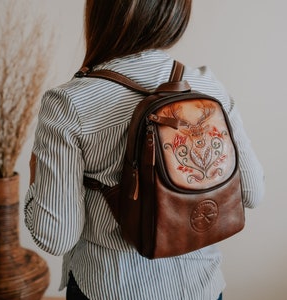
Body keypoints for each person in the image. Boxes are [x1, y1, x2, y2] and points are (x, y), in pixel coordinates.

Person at [24, 0, 265, 299]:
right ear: (174, 14)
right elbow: (253, 193)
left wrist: (34, 177)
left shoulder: (69, 103)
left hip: (112, 287)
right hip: (202, 286)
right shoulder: (206, 85)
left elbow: (56, 237)